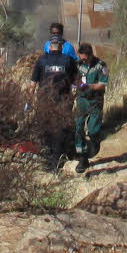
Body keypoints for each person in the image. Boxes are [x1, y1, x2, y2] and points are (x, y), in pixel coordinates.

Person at [31, 36, 79, 169]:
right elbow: (78, 80)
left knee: (45, 130)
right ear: (62, 47)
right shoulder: (68, 60)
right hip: (63, 102)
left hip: (44, 102)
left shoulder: (41, 60)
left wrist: (29, 101)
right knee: (61, 131)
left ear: (49, 47)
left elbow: (32, 84)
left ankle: (46, 162)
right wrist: (80, 92)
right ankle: (58, 162)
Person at [73, 43, 109, 174]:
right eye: (81, 58)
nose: (82, 60)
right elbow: (74, 79)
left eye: (84, 58)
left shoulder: (101, 65)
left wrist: (89, 86)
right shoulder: (78, 65)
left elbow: (103, 84)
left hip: (95, 100)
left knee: (93, 129)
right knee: (78, 127)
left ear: (90, 55)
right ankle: (82, 157)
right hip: (82, 100)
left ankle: (94, 144)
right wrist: (76, 85)